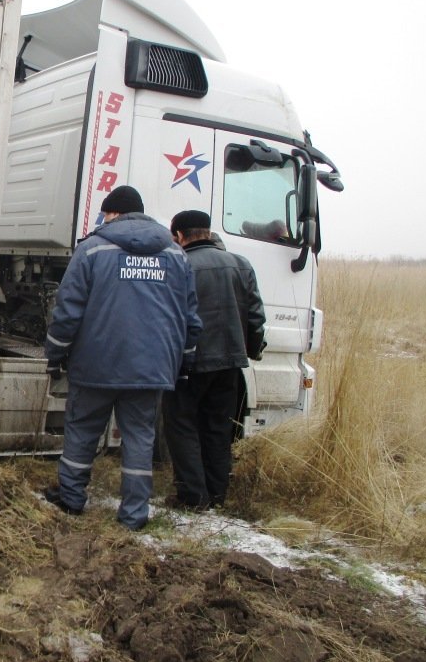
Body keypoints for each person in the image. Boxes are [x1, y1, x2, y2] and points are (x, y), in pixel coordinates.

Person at [43, 186, 202, 530]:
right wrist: (185, 361)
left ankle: (71, 499)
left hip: (95, 364)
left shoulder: (92, 250)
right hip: (151, 368)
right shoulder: (176, 256)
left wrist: (54, 355)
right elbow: (190, 317)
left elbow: (67, 311)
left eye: (105, 214)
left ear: (113, 214)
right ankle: (133, 515)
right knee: (140, 439)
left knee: (82, 432)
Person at [164, 210, 266, 510]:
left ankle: (193, 497)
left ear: (179, 236)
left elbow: (169, 317)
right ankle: (218, 495)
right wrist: (252, 348)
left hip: (190, 363)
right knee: (218, 429)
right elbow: (256, 316)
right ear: (207, 232)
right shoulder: (241, 264)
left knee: (182, 426)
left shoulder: (179, 265)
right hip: (230, 362)